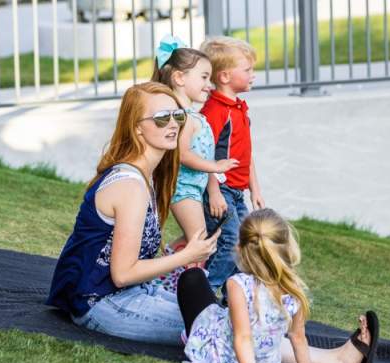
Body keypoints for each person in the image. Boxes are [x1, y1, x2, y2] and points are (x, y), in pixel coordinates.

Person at [46, 82, 220, 345]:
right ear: (137, 127)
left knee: (223, 318)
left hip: (136, 292)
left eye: (178, 115)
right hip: (102, 304)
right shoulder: (130, 185)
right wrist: (187, 255)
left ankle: (299, 358)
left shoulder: (146, 175)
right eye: (162, 118)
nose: (173, 124)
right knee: (219, 329)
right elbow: (123, 274)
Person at [177, 208, 380, 363]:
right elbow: (298, 338)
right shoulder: (294, 291)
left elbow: (243, 337)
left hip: (223, 359)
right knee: (219, 309)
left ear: (241, 248)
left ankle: (194, 334)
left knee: (193, 278)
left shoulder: (238, 284)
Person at [151, 35, 239, 262]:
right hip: (183, 190)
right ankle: (194, 290)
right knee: (200, 245)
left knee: (196, 240)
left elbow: (204, 154)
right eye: (203, 77)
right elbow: (183, 155)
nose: (209, 85)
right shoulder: (180, 117)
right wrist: (215, 166)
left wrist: (213, 188)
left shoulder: (196, 116)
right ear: (179, 77)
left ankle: (165, 273)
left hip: (195, 189)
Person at [199, 36, 265, 292]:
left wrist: (255, 189)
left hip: (237, 192)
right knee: (231, 243)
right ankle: (203, 294)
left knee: (246, 243)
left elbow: (246, 156)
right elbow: (206, 154)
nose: (253, 75)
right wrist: (214, 192)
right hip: (222, 191)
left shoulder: (238, 108)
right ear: (225, 76)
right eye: (247, 70)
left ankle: (231, 299)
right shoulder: (215, 110)